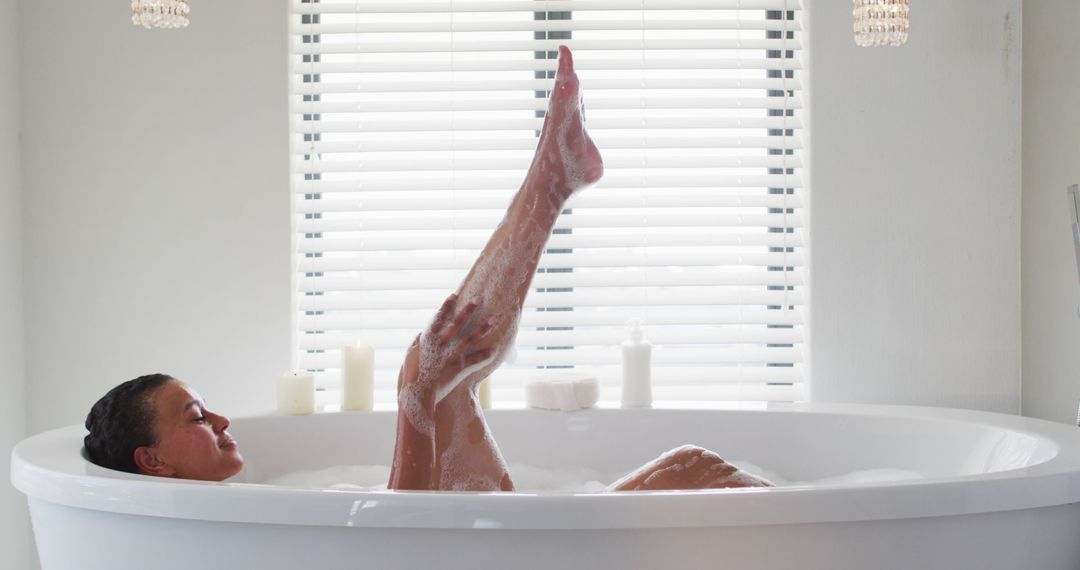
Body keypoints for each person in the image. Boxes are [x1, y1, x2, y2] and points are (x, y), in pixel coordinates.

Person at [84, 46, 772, 493]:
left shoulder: (252, 499)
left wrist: (422, 394)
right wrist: (412, 404)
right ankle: (552, 181)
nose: (224, 419)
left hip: (488, 551)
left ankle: (552, 182)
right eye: (198, 415)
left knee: (434, 372)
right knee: (427, 380)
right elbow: (399, 549)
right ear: (154, 461)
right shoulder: (226, 529)